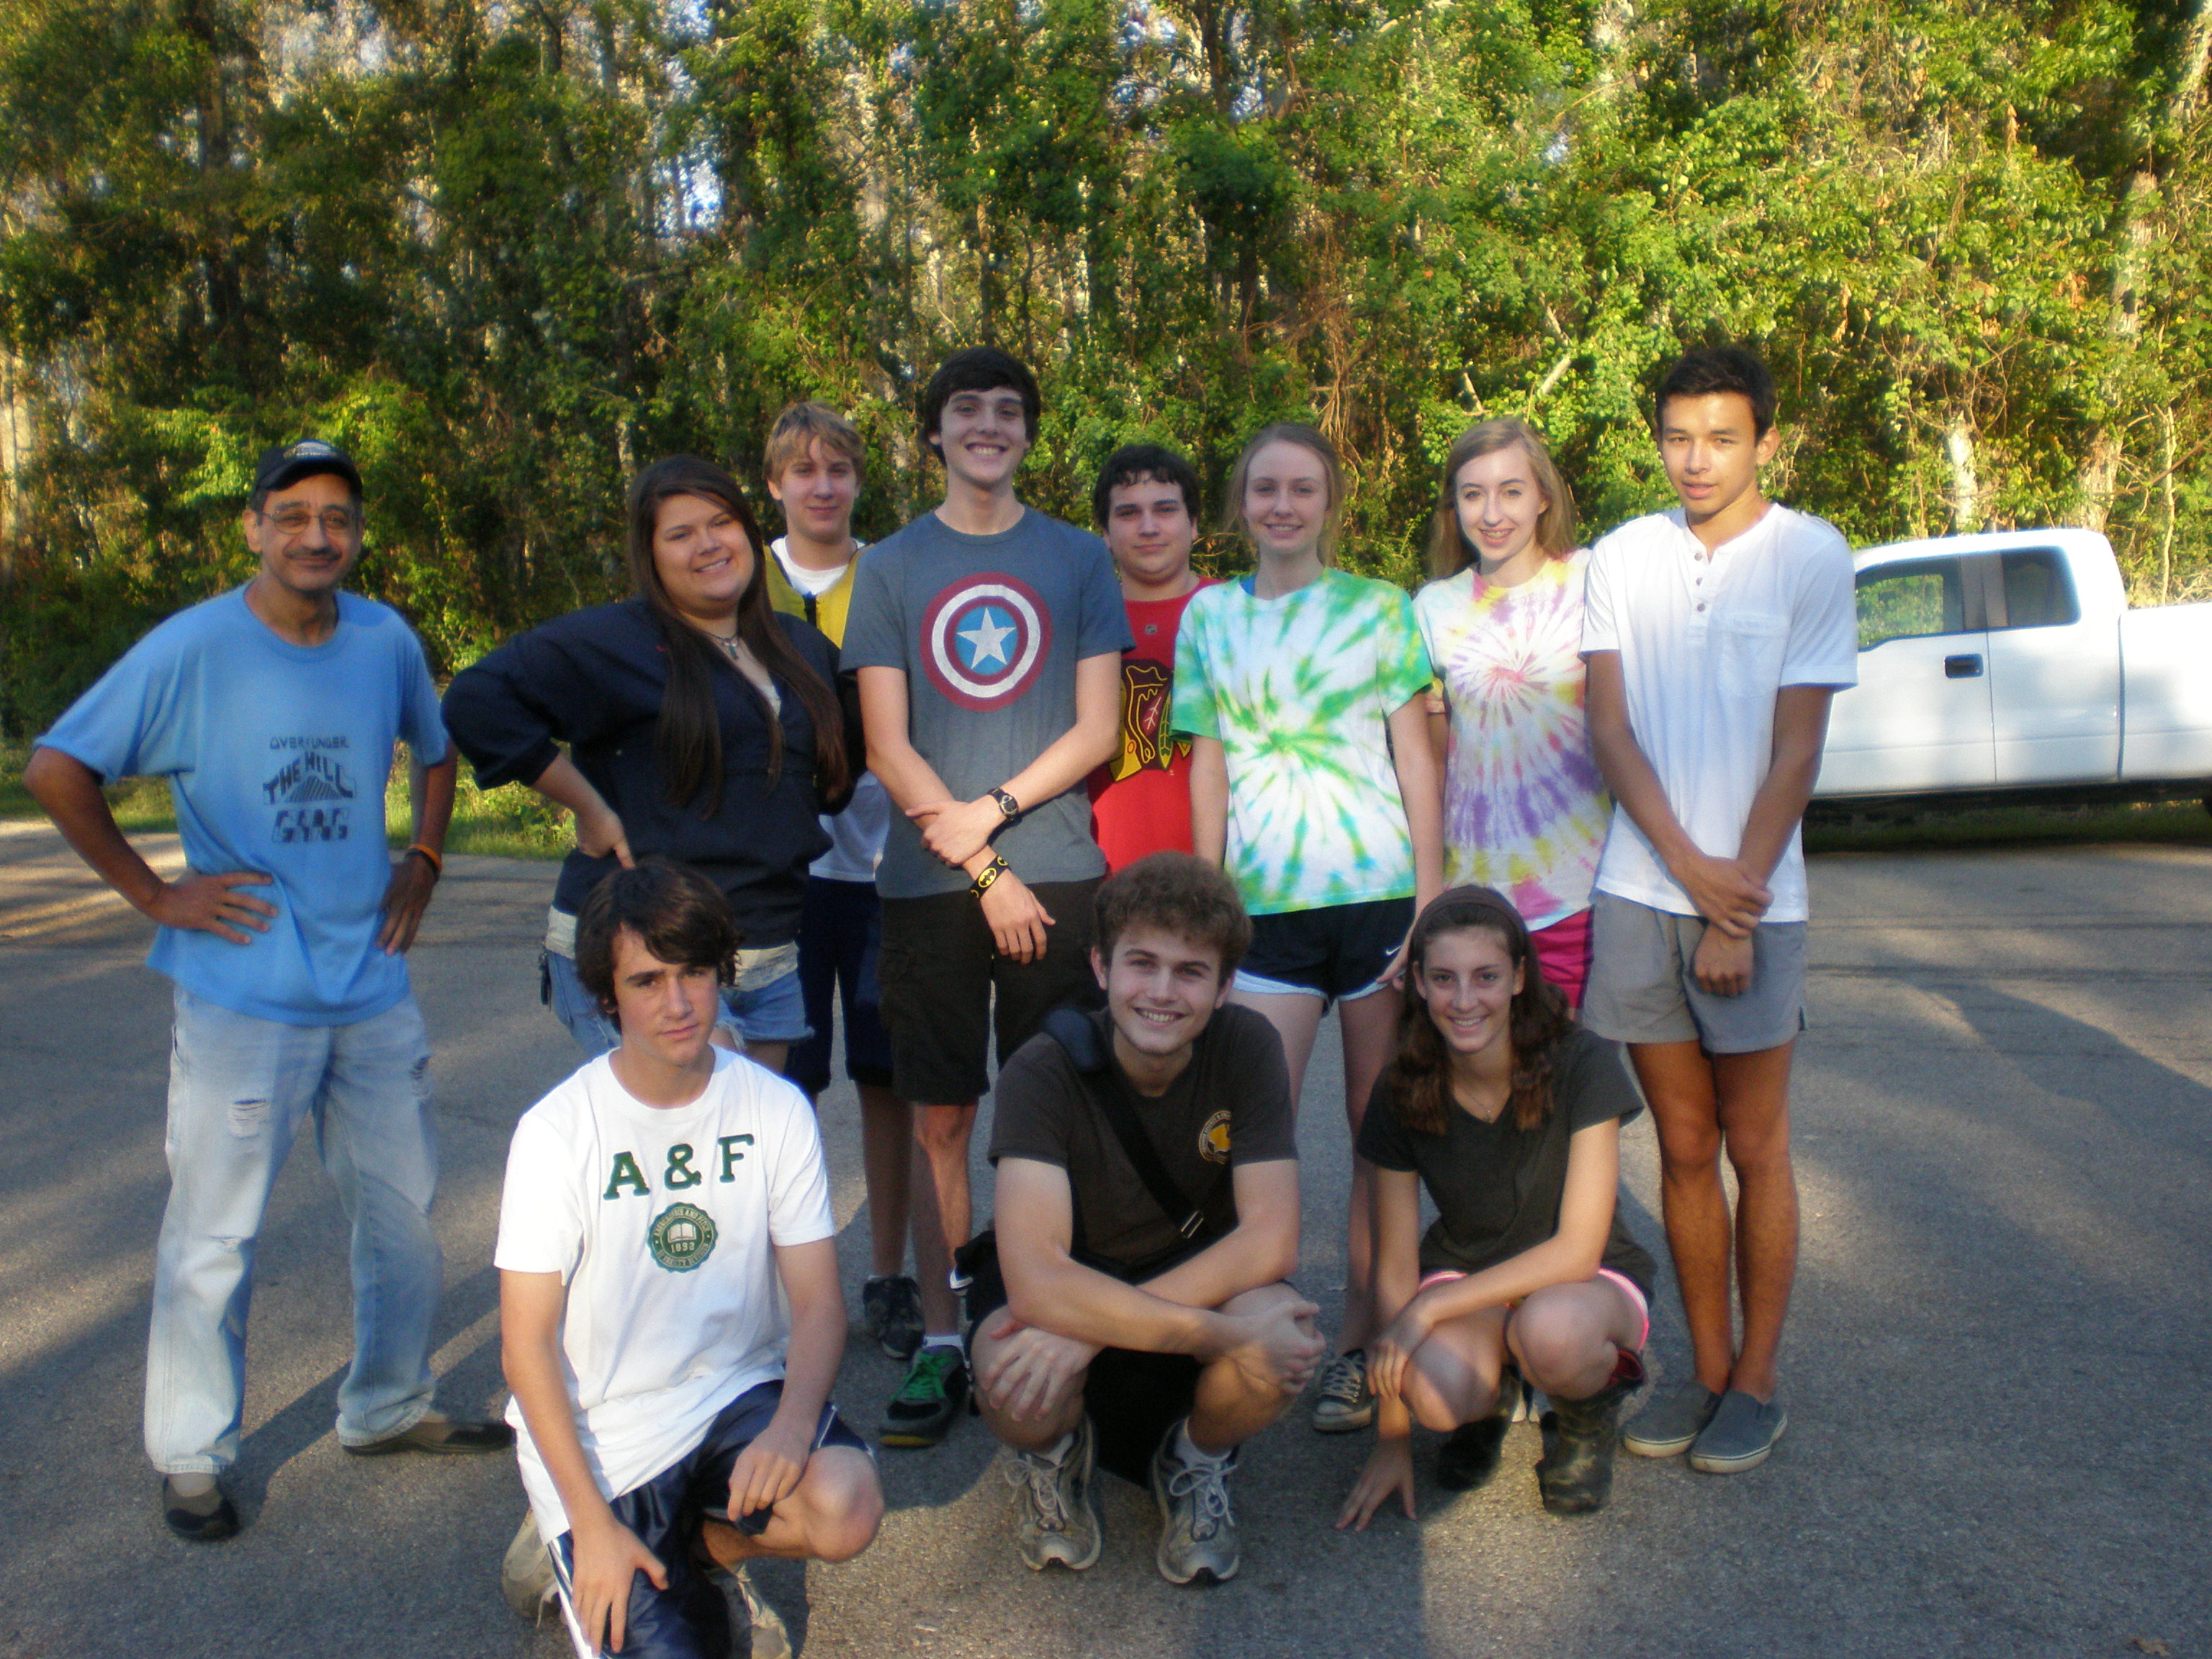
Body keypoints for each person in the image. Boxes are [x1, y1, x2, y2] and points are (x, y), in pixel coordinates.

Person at [22, 439, 511, 1543]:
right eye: (292, 516)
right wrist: (154, 894)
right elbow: (57, 767)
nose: (315, 536)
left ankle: (387, 1406)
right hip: (244, 993)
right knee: (215, 1230)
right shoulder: (194, 648)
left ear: (357, 534)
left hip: (371, 985)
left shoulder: (384, 637)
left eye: (336, 517)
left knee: (401, 1215)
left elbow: (437, 751)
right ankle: (192, 1453)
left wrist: (424, 862)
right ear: (253, 528)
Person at [842, 347, 1130, 1448]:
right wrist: (980, 864)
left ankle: (1053, 1312)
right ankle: (947, 1332)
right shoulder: (895, 566)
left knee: (1056, 1104)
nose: (988, 425)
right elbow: (885, 741)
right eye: (967, 409)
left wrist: (993, 818)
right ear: (935, 432)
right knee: (944, 1114)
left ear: (1028, 434)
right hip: (930, 882)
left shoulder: (1076, 558)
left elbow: (1098, 729)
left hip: (1059, 870)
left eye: (1009, 411)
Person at [1579, 345, 1856, 1474]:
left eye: (1723, 437)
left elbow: (1798, 748)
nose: (1698, 460)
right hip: (1640, 890)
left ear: (1766, 443)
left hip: (1757, 897)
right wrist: (1686, 870)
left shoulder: (1810, 555)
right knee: (1684, 1150)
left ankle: (1758, 1381)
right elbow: (1611, 731)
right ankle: (1701, 1372)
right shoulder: (1623, 554)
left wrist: (1732, 905)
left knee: (1756, 1144)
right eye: (1679, 437)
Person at [498, 859, 881, 1659]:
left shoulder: (772, 1108)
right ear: (608, 995)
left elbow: (816, 1304)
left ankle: (704, 1550)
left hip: (728, 1393)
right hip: (604, 1434)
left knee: (844, 1503)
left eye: (696, 973)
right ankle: (566, 1534)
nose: (677, 1004)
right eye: (647, 981)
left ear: (721, 974)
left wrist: (791, 1425)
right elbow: (525, 1344)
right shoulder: (557, 1132)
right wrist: (592, 1522)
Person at [1170, 421, 1444, 1436]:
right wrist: (1207, 906)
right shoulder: (1208, 617)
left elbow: (1417, 758)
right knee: (1248, 1134)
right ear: (1241, 504)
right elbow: (1207, 763)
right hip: (1260, 913)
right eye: (1264, 489)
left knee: (1382, 1137)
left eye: (1302, 489)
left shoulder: (1380, 610)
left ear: (1332, 501)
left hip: (1376, 902)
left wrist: (1430, 900)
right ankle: (1241, 1332)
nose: (1283, 506)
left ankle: (1369, 1345)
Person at [441, 454, 857, 1080]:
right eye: (681, 533)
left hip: (768, 955)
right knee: (699, 1138)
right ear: (651, 554)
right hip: (647, 951)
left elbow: (841, 763)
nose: (708, 545)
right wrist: (590, 807)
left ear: (749, 531)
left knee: (747, 1157)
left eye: (721, 522)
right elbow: (475, 702)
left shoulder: (799, 648)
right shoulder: (616, 642)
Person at [971, 853, 1322, 1585]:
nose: (1162, 992)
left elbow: (1271, 1237)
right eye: (1142, 964)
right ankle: (1053, 1454)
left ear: (1226, 986)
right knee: (1005, 1372)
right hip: (1087, 1295)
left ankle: (1195, 1458)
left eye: (1192, 972)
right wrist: (1223, 1335)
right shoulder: (1042, 1070)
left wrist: (1089, 1333)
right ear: (1101, 969)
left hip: (1164, 1289)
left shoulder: (1249, 1047)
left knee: (1285, 1331)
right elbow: (1036, 1278)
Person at [1335, 888, 1655, 1532]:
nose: (1464, 1000)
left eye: (1486, 977)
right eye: (1444, 979)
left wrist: (1428, 1309)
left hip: (1582, 1283)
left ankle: (1585, 1412)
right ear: (1418, 983)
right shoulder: (1402, 1088)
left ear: (1519, 978)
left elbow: (1578, 1249)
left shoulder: (1579, 1061)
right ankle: (1491, 1397)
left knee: (1553, 1335)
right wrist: (1392, 1439)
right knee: (1435, 1395)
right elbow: (1395, 1268)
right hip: (1469, 1275)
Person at [759, 402, 922, 1367]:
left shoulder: (892, 572)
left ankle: (891, 1273)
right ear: (775, 483)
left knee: (888, 1081)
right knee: (776, 1088)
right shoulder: (745, 577)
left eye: (839, 470)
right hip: (779, 872)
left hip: (884, 861)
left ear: (859, 480)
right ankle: (781, 1281)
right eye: (804, 471)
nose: (823, 485)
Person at [1413, 418, 1611, 1008]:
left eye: (1512, 491)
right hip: (1475, 898)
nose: (1492, 513)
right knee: (1485, 1085)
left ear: (1543, 496)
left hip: (1582, 889)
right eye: (1473, 495)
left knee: (1569, 1083)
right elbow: (1436, 759)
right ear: (1455, 507)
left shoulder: (1590, 580)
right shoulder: (1433, 607)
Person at [1084, 443, 1218, 871]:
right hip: (1101, 871)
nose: (1148, 527)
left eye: (1165, 510)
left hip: (1221, 872)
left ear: (1194, 524)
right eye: (1127, 514)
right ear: (1104, 532)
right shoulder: (1077, 623)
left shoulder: (1235, 614)